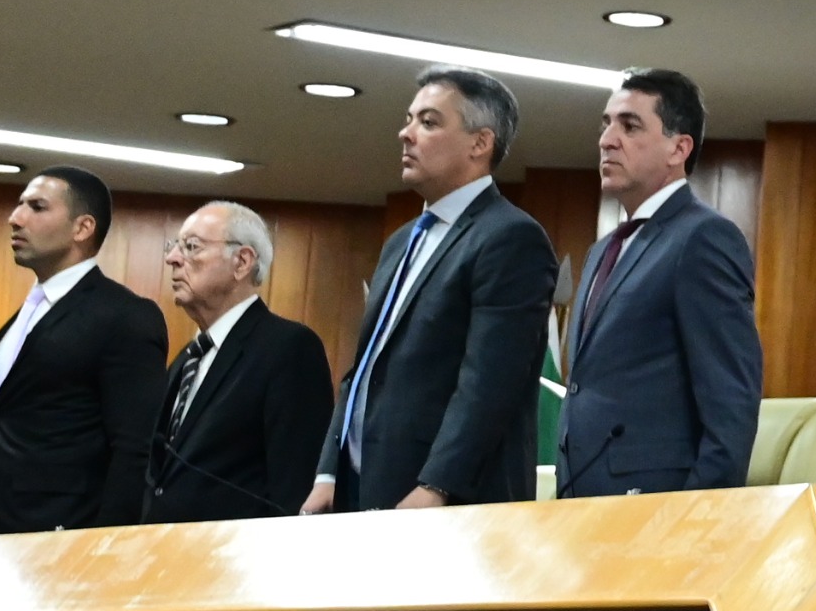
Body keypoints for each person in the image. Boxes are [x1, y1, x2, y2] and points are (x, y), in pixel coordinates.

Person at [309, 68, 555, 511]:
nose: (406, 134)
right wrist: (330, 472)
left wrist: (437, 486)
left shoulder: (510, 237)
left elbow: (489, 382)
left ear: (480, 143)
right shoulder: (401, 241)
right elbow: (364, 367)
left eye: (428, 122)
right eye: (409, 119)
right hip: (360, 488)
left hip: (444, 499)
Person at [557, 70, 764, 495]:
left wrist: (692, 516)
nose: (607, 140)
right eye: (606, 124)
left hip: (657, 508)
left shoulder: (704, 237)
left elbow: (731, 403)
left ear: (679, 148)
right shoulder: (602, 251)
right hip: (580, 497)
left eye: (630, 126)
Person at [0, 169, 167, 535]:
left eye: (37, 207)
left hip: (61, 528)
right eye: (19, 205)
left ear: (82, 228)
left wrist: (106, 541)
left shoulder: (124, 315)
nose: (15, 218)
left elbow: (134, 447)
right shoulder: (30, 311)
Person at [142, 201, 336, 526]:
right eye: (174, 246)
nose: (172, 258)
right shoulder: (188, 358)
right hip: (166, 547)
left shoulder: (288, 348)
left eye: (191, 247)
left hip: (240, 551)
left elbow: (295, 483)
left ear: (242, 261)